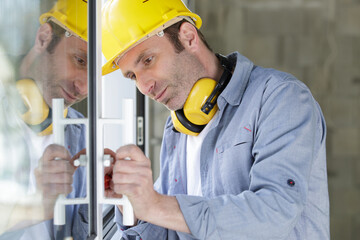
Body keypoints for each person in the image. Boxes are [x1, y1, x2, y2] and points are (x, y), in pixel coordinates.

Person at [101, 0, 330, 239]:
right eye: (132, 76)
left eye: (148, 60)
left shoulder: (281, 98)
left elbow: (274, 214)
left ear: (188, 37)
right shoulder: (177, 128)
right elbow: (170, 231)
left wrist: (154, 205)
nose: (144, 86)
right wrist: (129, 203)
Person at [0, 0, 89, 239]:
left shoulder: (80, 131)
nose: (84, 87)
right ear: (44, 39)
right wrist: (39, 203)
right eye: (80, 61)